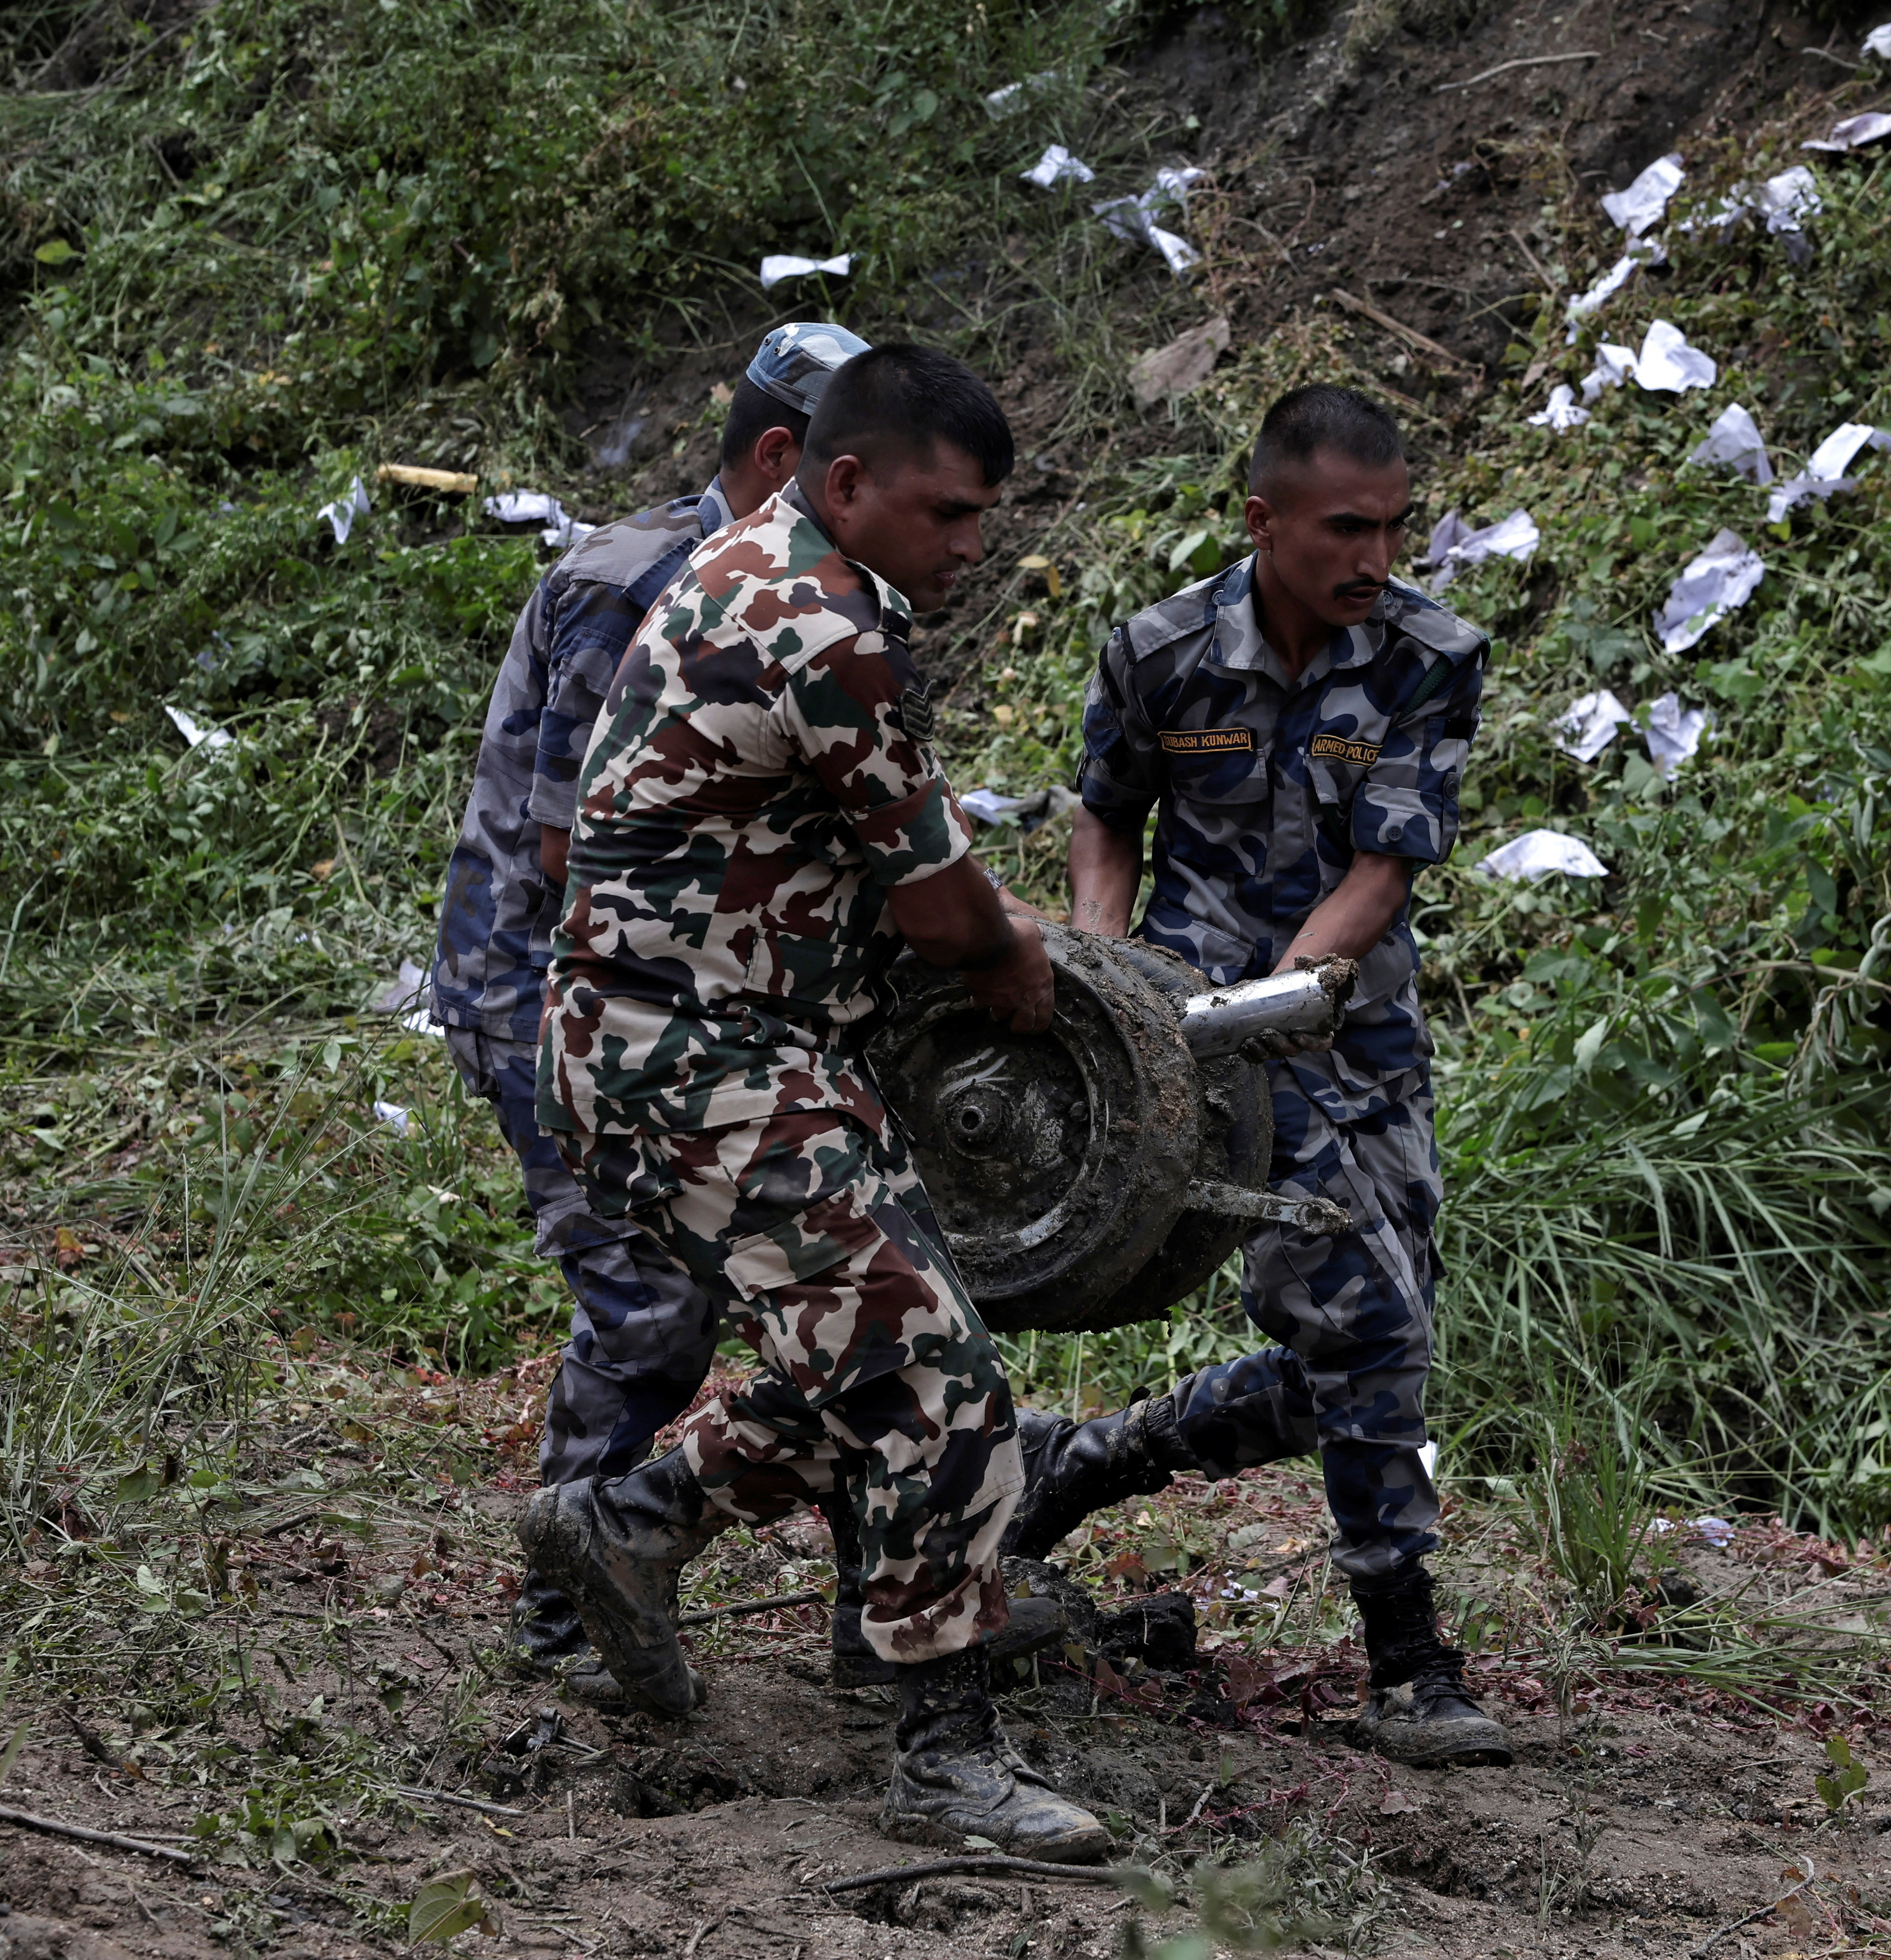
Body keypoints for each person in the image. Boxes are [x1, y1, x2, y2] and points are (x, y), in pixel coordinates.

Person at [519, 345, 1109, 1859]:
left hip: (683, 1042)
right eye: (948, 513)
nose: (972, 548)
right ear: (845, 483)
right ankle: (938, 1748)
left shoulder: (765, 567)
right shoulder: (821, 623)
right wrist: (1022, 965)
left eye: (986, 519)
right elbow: (942, 909)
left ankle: (633, 1521)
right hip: (691, 1053)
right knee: (931, 1367)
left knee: (862, 1344)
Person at [1006, 384, 1506, 1770]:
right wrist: (1107, 987)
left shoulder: (1428, 655)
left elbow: (1383, 870)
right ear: (1263, 520)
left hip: (1355, 1041)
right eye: (1348, 528)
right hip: (1197, 1060)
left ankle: (1090, 1458)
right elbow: (1106, 816)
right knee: (1368, 1335)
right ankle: (1409, 1661)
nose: (1376, 558)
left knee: (1358, 1354)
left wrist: (1275, 1000)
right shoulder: (1158, 651)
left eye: (1396, 527)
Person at [429, 323, 890, 1698]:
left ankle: (885, 1614)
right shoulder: (641, 586)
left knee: (832, 1274)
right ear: (778, 462)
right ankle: (565, 1615)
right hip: (551, 991)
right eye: (857, 480)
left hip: (696, 996)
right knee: (647, 1306)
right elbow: (587, 858)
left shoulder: (792, 597)